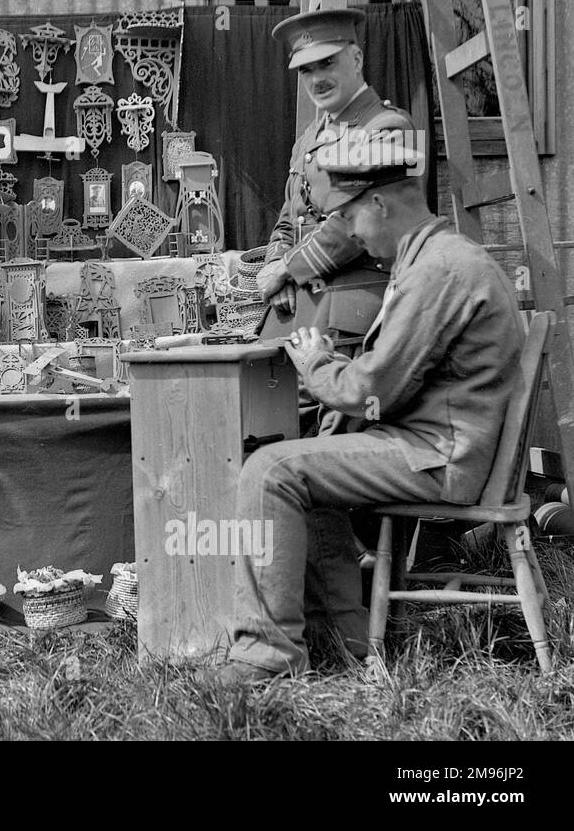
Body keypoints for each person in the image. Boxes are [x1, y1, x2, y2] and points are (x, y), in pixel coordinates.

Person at [220, 140, 522, 683]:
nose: (350, 234)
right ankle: (344, 636)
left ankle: (266, 656)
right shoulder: (442, 257)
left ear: (380, 205)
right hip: (443, 445)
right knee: (301, 460)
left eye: (348, 215)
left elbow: (374, 389)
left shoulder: (438, 272)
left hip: (438, 457)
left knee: (270, 471)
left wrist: (316, 364)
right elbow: (394, 382)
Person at [257, 7, 418, 344]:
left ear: (356, 58)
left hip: (354, 301)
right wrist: (277, 271)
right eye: (306, 70)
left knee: (306, 390)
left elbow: (353, 225)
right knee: (255, 378)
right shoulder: (307, 140)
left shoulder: (390, 127)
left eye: (327, 63)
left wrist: (287, 270)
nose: (317, 79)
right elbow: (288, 220)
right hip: (299, 299)